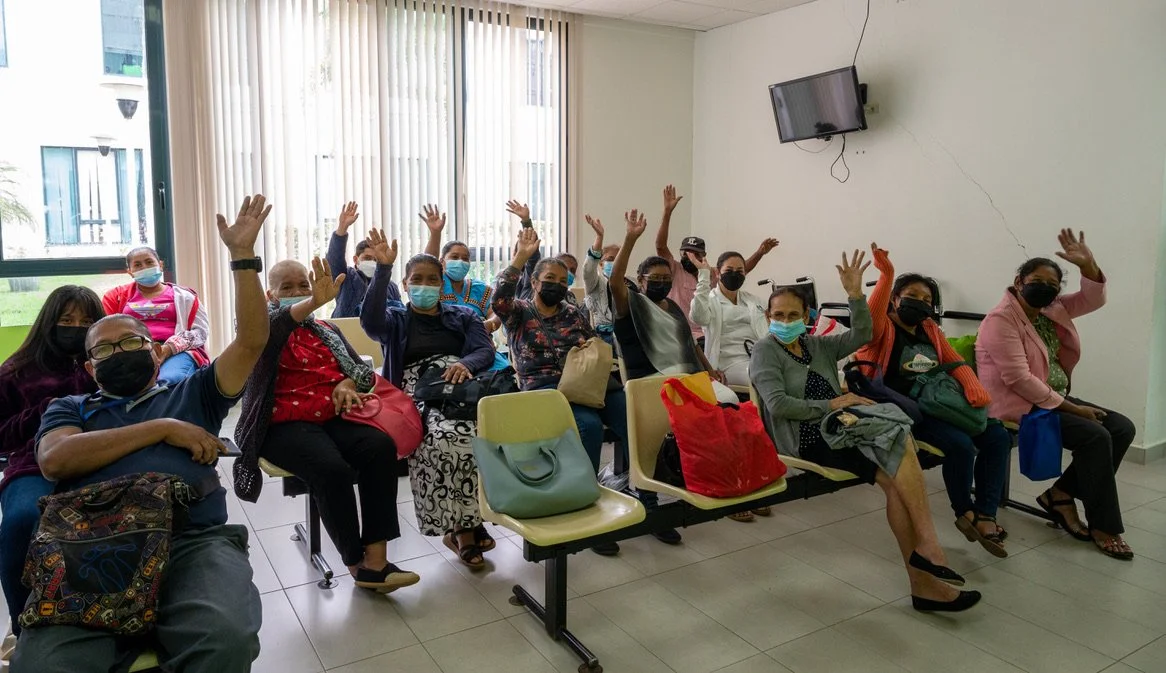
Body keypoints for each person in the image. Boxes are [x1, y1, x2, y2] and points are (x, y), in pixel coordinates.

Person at [14, 194, 273, 672]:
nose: (120, 352)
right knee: (45, 665)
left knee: (225, 639)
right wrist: (163, 428)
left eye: (131, 341)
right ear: (91, 369)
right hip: (89, 547)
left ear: (155, 351)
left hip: (190, 541)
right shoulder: (70, 407)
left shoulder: (197, 393)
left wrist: (242, 257)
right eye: (105, 350)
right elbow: (57, 459)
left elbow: (254, 339)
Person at [751, 250, 980, 613]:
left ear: (807, 317)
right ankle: (929, 553)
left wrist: (856, 295)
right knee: (898, 434)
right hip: (807, 437)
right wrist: (833, 404)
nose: (784, 321)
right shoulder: (765, 351)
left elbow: (862, 333)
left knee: (895, 477)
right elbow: (778, 405)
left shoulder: (816, 344)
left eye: (793, 315)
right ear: (767, 317)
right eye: (777, 315)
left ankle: (925, 579)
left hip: (844, 427)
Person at [233, 256, 420, 591]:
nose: (298, 291)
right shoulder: (259, 330)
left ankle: (377, 559)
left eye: (303, 284)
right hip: (280, 424)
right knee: (331, 468)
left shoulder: (326, 329)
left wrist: (347, 384)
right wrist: (312, 302)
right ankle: (355, 563)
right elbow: (275, 330)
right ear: (269, 295)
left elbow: (362, 371)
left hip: (334, 415)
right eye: (286, 287)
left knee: (379, 447)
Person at [494, 226, 682, 554]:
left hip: (588, 381)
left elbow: (591, 341)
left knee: (635, 418)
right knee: (590, 426)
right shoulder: (520, 313)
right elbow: (499, 301)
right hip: (547, 388)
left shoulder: (572, 311)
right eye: (547, 279)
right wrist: (521, 257)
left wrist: (587, 344)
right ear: (534, 282)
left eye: (562, 279)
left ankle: (648, 498)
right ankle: (590, 505)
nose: (556, 284)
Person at [976, 229, 1135, 560]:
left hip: (1050, 397)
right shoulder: (1000, 320)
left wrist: (1088, 265)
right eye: (1037, 280)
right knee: (1094, 435)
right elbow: (1018, 379)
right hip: (1018, 405)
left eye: (1052, 285)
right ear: (1019, 281)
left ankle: (1060, 494)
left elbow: (1092, 299)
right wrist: (1076, 411)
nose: (1045, 288)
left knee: (1121, 427)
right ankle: (1104, 525)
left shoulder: (1050, 310)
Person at [857, 244, 1012, 557]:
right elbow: (869, 323)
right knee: (960, 444)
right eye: (912, 296)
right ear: (895, 299)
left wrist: (971, 384)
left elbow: (953, 360)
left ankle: (986, 513)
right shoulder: (882, 329)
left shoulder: (929, 328)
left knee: (997, 436)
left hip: (941, 399)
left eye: (927, 299)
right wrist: (886, 275)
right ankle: (964, 511)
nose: (920, 303)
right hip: (904, 408)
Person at [360, 230, 499, 568]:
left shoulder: (463, 315)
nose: (425, 285)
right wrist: (382, 270)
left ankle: (476, 516)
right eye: (417, 279)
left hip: (464, 385)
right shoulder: (396, 318)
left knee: (488, 434)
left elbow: (484, 348)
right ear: (405, 285)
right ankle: (462, 530)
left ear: (441, 285)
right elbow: (370, 321)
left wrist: (465, 363)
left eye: (432, 279)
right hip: (417, 391)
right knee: (443, 438)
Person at [0, 287, 103, 643]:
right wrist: (43, 412)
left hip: (101, 455)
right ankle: (23, 628)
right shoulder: (16, 372)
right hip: (32, 464)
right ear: (50, 322)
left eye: (87, 322)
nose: (76, 328)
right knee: (21, 521)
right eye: (67, 321)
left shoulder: (105, 360)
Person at [654, 184, 778, 348]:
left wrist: (760, 253)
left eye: (696, 254)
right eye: (686, 253)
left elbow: (740, 269)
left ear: (704, 255)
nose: (690, 257)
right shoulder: (674, 269)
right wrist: (667, 212)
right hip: (681, 335)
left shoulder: (712, 273)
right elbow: (661, 246)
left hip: (710, 334)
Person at [609, 209, 724, 386]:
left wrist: (710, 372)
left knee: (728, 399)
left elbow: (691, 344)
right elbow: (615, 282)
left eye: (666, 278)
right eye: (655, 278)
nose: (662, 282)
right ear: (640, 280)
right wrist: (630, 239)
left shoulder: (672, 306)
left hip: (686, 374)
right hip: (651, 379)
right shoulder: (632, 303)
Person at [102, 246, 210, 386]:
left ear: (160, 264)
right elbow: (106, 331)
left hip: (175, 352)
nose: (145, 267)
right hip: (132, 352)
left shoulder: (186, 297)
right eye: (138, 265)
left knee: (167, 383)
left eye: (149, 262)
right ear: (130, 272)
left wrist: (169, 348)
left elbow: (200, 332)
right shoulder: (115, 297)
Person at [689, 250, 769, 388]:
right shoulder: (709, 300)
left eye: (740, 270)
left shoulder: (754, 300)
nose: (735, 274)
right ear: (718, 273)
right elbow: (698, 317)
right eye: (729, 270)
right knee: (765, 376)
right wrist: (703, 276)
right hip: (729, 364)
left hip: (759, 358)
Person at [325, 200, 379, 318]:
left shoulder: (389, 286)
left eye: (376, 260)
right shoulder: (347, 277)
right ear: (356, 259)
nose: (372, 263)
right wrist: (341, 229)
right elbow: (335, 260)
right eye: (367, 258)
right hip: (345, 332)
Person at [581, 214, 621, 342]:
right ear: (601, 263)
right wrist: (599, 237)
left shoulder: (629, 283)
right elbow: (588, 269)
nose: (614, 263)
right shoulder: (595, 282)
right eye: (610, 259)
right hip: (603, 337)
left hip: (624, 334)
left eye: (618, 260)